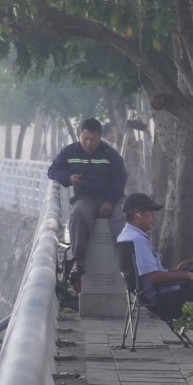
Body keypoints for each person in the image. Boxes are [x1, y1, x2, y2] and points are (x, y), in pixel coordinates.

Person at [116, 192, 193, 321]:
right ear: (138, 213)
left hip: (154, 292)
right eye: (151, 212)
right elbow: (152, 277)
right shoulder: (137, 239)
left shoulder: (126, 235)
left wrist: (176, 271)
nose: (153, 217)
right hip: (163, 297)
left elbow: (147, 274)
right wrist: (187, 275)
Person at [47, 118, 128, 285]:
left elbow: (120, 179)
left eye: (93, 139)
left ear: (100, 137)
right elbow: (53, 170)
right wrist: (68, 178)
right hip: (85, 199)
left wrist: (110, 202)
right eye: (85, 139)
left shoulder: (110, 154)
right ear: (79, 135)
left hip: (110, 198)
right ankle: (78, 262)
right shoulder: (68, 152)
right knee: (77, 214)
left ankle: (125, 264)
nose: (89, 143)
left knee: (124, 215)